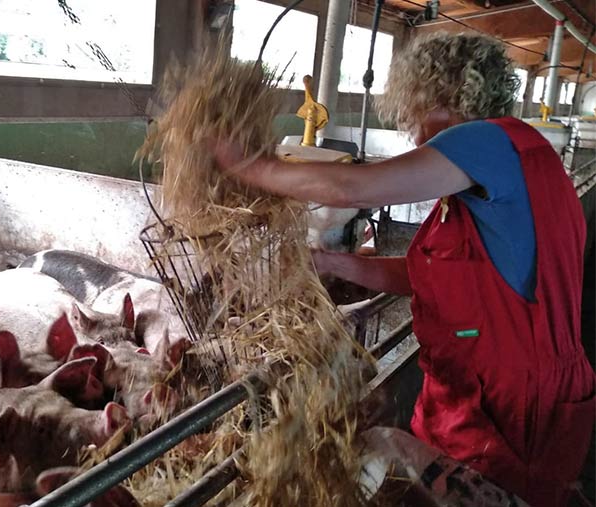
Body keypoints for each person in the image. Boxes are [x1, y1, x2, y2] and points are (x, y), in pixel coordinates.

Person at [212, 32, 594, 506]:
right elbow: (438, 275)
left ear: (451, 96)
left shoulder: (492, 143)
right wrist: (339, 264)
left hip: (513, 408)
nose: (415, 135)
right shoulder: (493, 176)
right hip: (478, 393)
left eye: (420, 115)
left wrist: (249, 168)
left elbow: (357, 190)